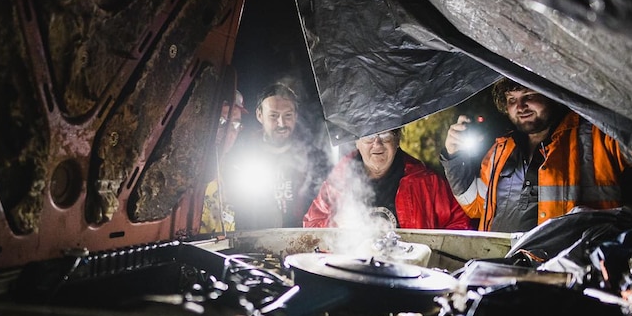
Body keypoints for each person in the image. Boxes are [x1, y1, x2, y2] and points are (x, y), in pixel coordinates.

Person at [440, 77, 632, 233]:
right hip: (499, 270)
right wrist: (453, 157)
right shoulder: (500, 151)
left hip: (566, 273)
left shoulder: (595, 137)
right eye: (512, 99)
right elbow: (475, 206)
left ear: (551, 95)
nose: (521, 106)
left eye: (529, 95)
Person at [304, 128, 471, 230]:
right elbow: (310, 230)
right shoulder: (337, 185)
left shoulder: (428, 184)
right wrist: (335, 225)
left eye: (385, 135)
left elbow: (459, 227)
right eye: (369, 136)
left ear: (397, 140)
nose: (377, 144)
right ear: (356, 142)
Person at [223, 81, 332, 229]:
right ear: (259, 115)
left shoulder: (314, 158)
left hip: (303, 240)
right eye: (273, 116)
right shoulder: (240, 154)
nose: (281, 123)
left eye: (287, 115)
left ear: (295, 116)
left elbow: (325, 207)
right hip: (253, 241)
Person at [200, 89, 248, 235]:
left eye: (234, 125)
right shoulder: (186, 172)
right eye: (221, 122)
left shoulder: (232, 174)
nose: (229, 132)